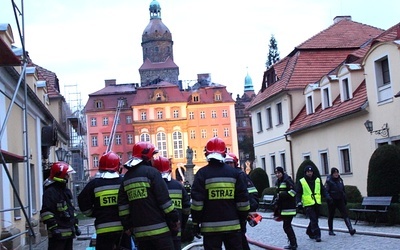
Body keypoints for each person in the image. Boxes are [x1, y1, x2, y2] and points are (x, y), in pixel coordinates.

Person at [118, 141, 180, 250]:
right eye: (152, 156)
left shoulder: (126, 178)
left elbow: (123, 206)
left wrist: (127, 225)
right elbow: (164, 201)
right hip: (160, 233)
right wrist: (174, 218)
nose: (153, 159)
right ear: (147, 157)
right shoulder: (152, 173)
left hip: (140, 235)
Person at [191, 137, 250, 250]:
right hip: (233, 227)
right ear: (224, 154)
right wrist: (242, 221)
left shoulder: (202, 174)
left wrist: (195, 223)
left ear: (206, 154)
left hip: (210, 229)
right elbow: (243, 202)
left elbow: (197, 204)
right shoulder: (235, 174)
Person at [78, 151, 132, 250]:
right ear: (117, 166)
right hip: (123, 230)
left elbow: (82, 201)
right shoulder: (124, 182)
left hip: (103, 230)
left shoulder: (94, 184)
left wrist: (93, 213)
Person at [153, 156, 191, 250]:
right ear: (169, 169)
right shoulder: (178, 186)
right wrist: (182, 225)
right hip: (175, 232)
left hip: (157, 234)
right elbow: (186, 209)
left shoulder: (151, 186)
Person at [40, 161, 80, 250]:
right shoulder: (50, 192)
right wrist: (53, 228)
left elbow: (71, 210)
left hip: (69, 232)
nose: (68, 177)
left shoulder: (65, 191)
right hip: (57, 234)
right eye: (66, 174)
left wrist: (76, 225)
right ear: (60, 175)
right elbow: (46, 212)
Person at [225, 152, 259, 250]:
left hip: (241, 213)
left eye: (230, 163)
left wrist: (251, 209)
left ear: (235, 163)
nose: (228, 165)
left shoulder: (241, 175)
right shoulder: (226, 176)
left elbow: (252, 192)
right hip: (230, 213)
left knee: (239, 237)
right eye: (226, 163)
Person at [296, 165, 332, 243]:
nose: (310, 173)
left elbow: (323, 190)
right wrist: (298, 202)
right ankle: (317, 235)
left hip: (317, 202)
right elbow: (298, 193)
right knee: (314, 219)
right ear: (305, 173)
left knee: (315, 219)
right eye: (308, 172)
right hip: (308, 204)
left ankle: (309, 231)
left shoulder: (317, 180)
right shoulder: (302, 181)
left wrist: (327, 197)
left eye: (311, 172)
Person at [324, 167, 356, 236]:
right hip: (332, 200)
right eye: (335, 173)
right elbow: (326, 191)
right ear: (332, 174)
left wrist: (344, 198)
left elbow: (343, 190)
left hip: (340, 199)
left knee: (345, 214)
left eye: (337, 173)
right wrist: (329, 199)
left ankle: (350, 229)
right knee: (331, 215)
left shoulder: (340, 180)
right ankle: (330, 230)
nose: (336, 174)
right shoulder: (329, 181)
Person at [274, 167, 298, 250]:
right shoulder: (278, 182)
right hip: (283, 208)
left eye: (279, 173)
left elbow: (293, 192)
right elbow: (278, 194)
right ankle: (292, 243)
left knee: (287, 226)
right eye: (276, 173)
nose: (277, 174)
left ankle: (293, 244)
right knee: (287, 226)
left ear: (282, 172)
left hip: (289, 207)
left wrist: (282, 195)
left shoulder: (287, 180)